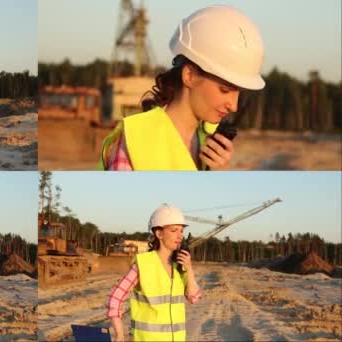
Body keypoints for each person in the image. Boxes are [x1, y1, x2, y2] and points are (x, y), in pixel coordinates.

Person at [100, 5, 265, 171]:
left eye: (239, 93)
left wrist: (219, 176)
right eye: (225, 90)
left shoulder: (210, 140)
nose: (234, 106)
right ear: (189, 76)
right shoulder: (135, 139)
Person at [107, 204, 201, 341]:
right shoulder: (143, 264)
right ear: (159, 234)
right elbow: (115, 299)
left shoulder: (180, 265)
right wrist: (119, 334)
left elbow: (194, 298)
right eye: (174, 230)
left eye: (181, 231)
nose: (180, 236)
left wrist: (189, 268)